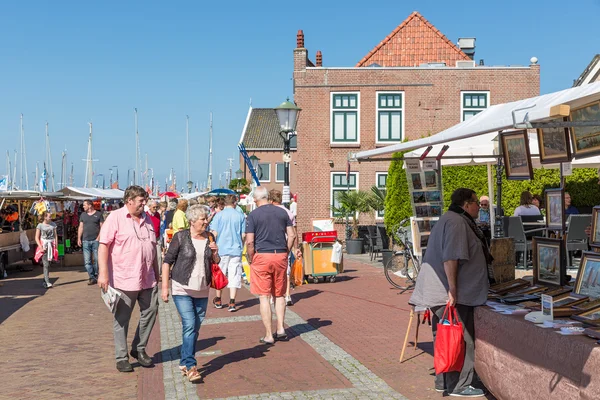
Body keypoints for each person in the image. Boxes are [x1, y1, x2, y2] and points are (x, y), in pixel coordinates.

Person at [410, 188, 491, 398]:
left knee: (444, 336)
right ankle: (459, 386)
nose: (479, 207)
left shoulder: (450, 218)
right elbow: (451, 258)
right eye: (476, 203)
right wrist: (453, 290)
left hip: (442, 292)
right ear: (466, 204)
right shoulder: (456, 222)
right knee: (463, 338)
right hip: (453, 293)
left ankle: (443, 381)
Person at [98, 186, 159, 373]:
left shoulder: (148, 219)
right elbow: (103, 246)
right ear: (129, 200)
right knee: (122, 318)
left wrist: (158, 273)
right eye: (141, 201)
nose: (144, 204)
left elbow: (153, 248)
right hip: (124, 277)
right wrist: (103, 273)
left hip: (147, 277)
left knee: (151, 311)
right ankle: (121, 357)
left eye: (145, 200)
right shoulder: (115, 218)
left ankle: (138, 349)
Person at [162, 205, 219, 382]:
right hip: (182, 287)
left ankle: (184, 361)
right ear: (192, 221)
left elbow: (215, 261)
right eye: (202, 218)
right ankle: (190, 365)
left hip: (202, 288)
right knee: (189, 323)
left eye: (206, 218)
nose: (206, 221)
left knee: (195, 327)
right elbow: (167, 262)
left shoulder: (210, 237)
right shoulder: (180, 237)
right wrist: (165, 287)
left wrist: (215, 252)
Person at [245, 186, 295, 344]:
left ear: (255, 199)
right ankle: (281, 328)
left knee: (264, 296)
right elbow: (292, 235)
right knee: (279, 294)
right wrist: (286, 252)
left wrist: (251, 257)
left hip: (262, 256)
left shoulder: (253, 215)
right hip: (280, 254)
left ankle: (269, 335)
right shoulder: (282, 212)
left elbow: (250, 241)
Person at [210, 194, 246, 312]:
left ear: (224, 203)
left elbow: (214, 233)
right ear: (235, 202)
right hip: (236, 249)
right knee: (234, 274)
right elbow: (243, 235)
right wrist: (241, 244)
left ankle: (219, 299)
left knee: (219, 273)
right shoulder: (240, 216)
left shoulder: (219, 216)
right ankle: (232, 302)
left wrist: (212, 246)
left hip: (221, 249)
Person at [269, 189, 300, 306]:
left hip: (271, 245)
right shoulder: (288, 212)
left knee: (272, 272)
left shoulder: (268, 212)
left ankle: (273, 296)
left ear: (270, 200)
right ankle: (287, 295)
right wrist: (294, 248)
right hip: (285, 245)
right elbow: (293, 232)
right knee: (285, 272)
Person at [78, 200, 104, 285]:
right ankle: (92, 277)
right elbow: (81, 227)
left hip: (95, 240)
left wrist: (98, 238)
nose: (83, 207)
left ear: (89, 205)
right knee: (87, 261)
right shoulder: (83, 215)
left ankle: (96, 275)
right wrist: (79, 238)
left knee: (97, 259)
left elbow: (102, 227)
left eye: (84, 205)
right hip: (85, 240)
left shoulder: (98, 214)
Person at [36, 211, 58, 289]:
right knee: (46, 264)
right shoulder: (40, 225)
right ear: (45, 217)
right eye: (49, 216)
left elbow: (55, 236)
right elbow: (36, 237)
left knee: (49, 263)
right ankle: (47, 281)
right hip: (44, 245)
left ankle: (45, 280)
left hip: (51, 245)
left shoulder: (53, 224)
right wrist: (40, 247)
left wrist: (56, 247)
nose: (51, 217)